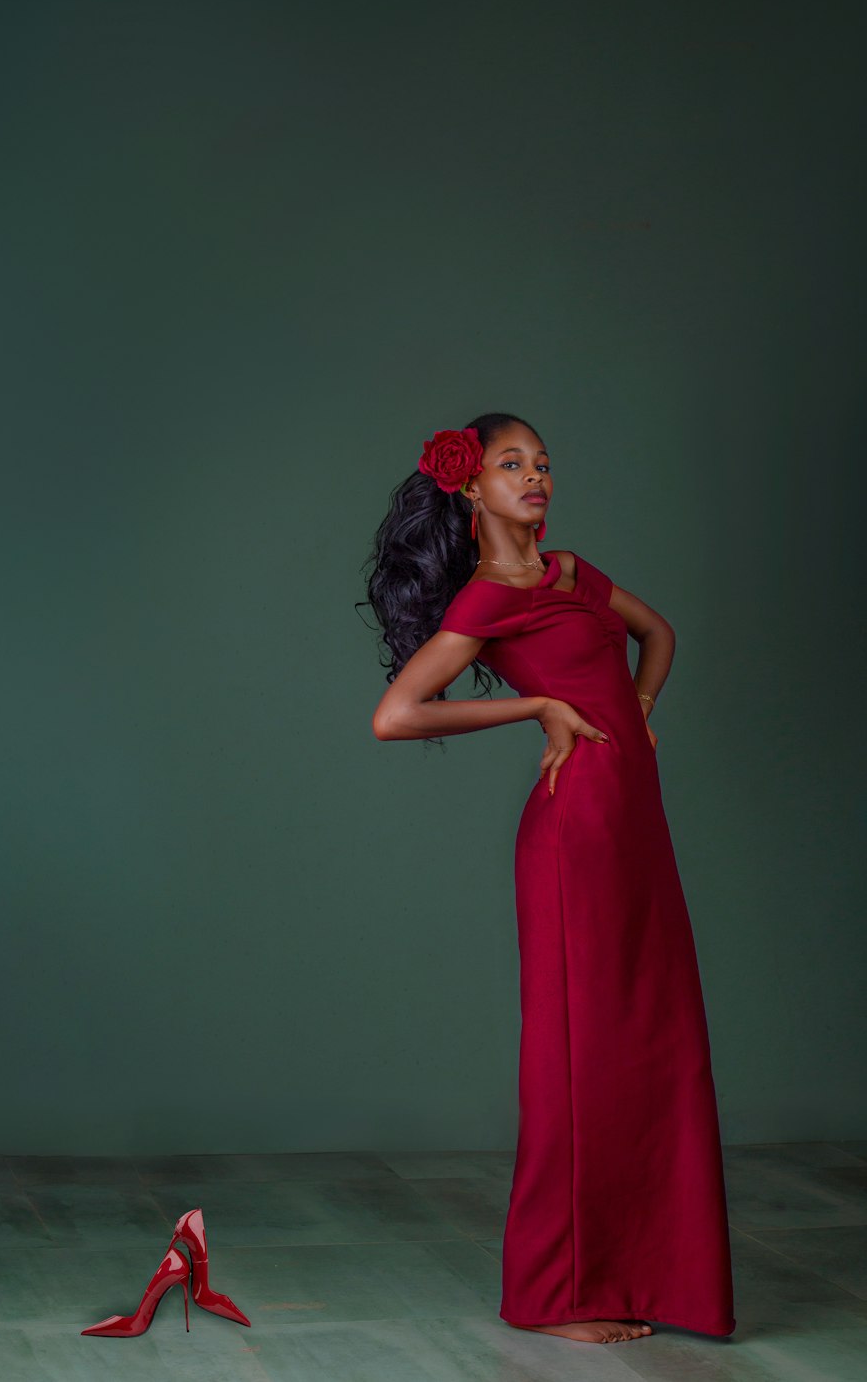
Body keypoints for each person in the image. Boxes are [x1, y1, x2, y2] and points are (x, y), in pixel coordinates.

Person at [363, 411, 735, 1345]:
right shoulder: (484, 602)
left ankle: (648, 1274)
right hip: (574, 841)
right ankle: (554, 1294)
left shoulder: (570, 574)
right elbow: (396, 715)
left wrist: (640, 705)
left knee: (658, 1050)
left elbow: (661, 635)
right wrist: (538, 707)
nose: (536, 478)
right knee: (578, 1062)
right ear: (471, 487)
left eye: (543, 464)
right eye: (512, 464)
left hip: (636, 834)